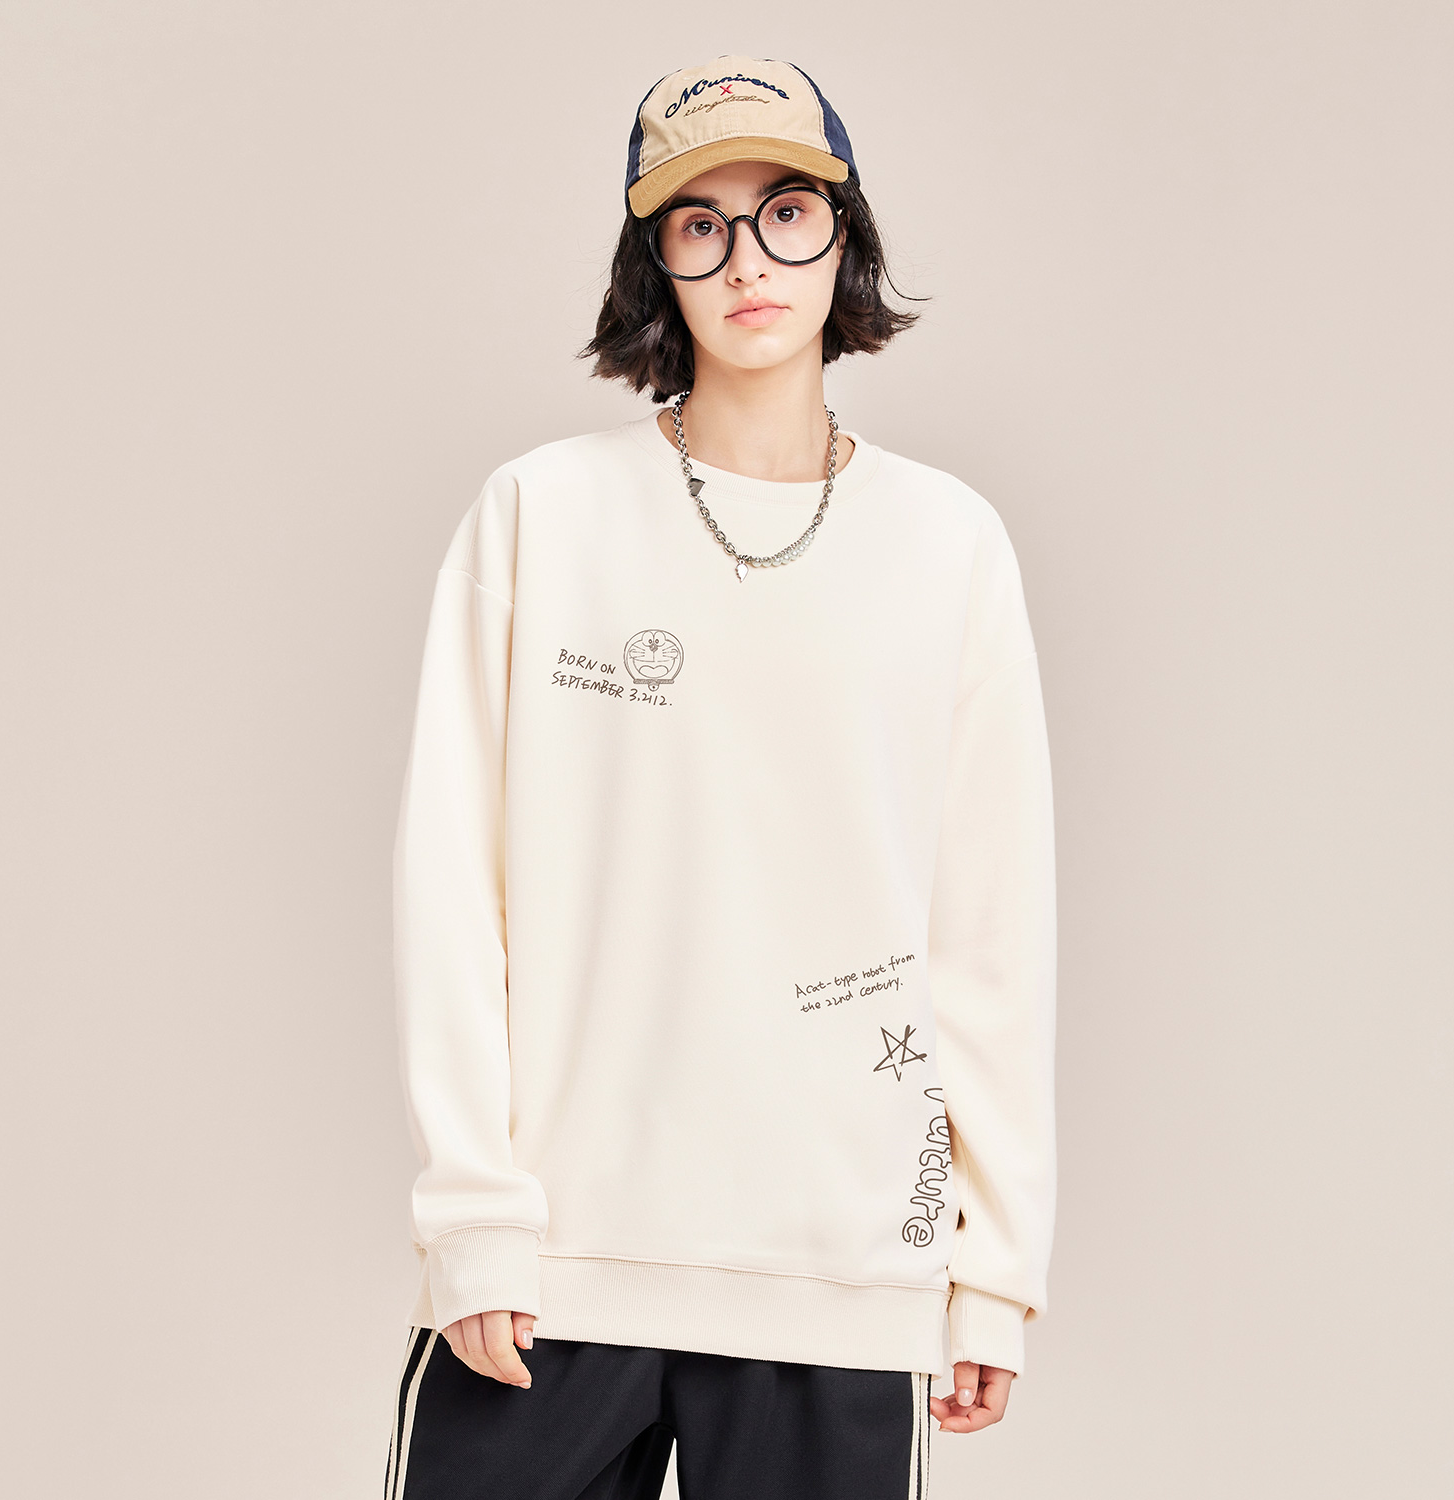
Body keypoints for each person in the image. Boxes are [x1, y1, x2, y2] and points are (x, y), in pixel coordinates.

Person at [384, 54, 1058, 1500]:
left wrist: (995, 1266)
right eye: (702, 224)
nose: (749, 260)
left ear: (844, 236)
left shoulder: (949, 544)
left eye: (786, 213)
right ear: (659, 265)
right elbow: (452, 891)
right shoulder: (541, 515)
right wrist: (476, 1218)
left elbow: (989, 930)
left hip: (839, 1272)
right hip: (558, 1270)